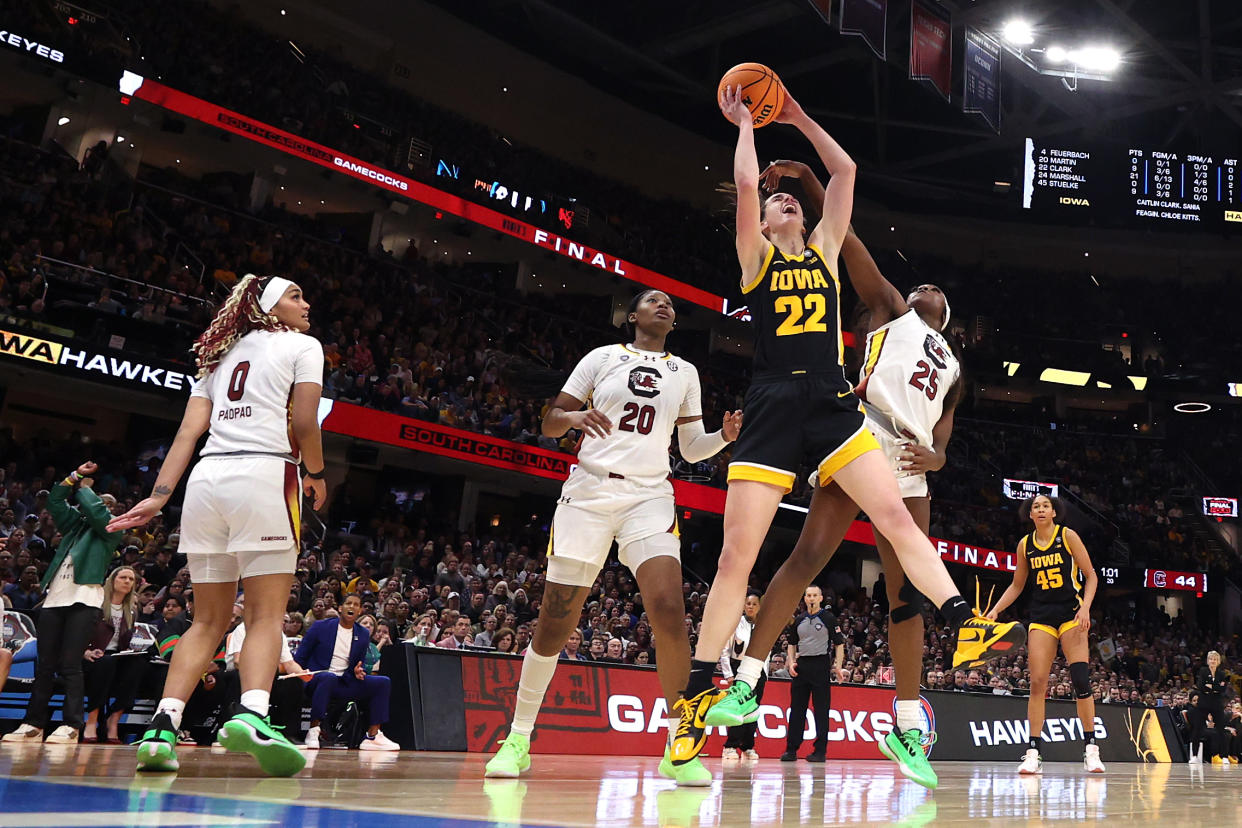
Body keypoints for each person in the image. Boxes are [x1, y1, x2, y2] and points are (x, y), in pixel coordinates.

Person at [673, 84, 1024, 772]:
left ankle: (962, 625)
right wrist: (750, 124)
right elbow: (749, 182)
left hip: (840, 409)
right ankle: (709, 687)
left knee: (897, 531)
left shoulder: (837, 258)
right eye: (778, 206)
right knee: (740, 556)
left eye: (789, 201)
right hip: (784, 403)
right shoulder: (764, 260)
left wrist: (800, 116)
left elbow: (846, 175)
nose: (785, 205)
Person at [710, 164, 964, 787]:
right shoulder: (889, 310)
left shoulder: (955, 364)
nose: (921, 286)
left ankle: (907, 725)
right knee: (808, 558)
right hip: (861, 431)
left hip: (911, 462)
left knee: (907, 599)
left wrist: (937, 458)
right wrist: (813, 187)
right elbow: (846, 240)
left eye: (933, 286)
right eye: (918, 284)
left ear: (947, 316)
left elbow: (947, 434)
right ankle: (750, 675)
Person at [484, 289, 742, 787]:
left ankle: (678, 745)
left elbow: (690, 450)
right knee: (555, 621)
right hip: (589, 493)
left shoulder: (684, 373)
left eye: (669, 303)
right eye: (652, 300)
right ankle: (517, 738)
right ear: (633, 316)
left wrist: (724, 439)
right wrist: (574, 418)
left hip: (650, 497)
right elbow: (549, 422)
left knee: (669, 608)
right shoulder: (601, 358)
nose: (663, 305)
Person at [107, 273, 326, 776]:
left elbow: (188, 431)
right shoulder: (303, 345)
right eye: (296, 294)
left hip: (205, 481)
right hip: (265, 473)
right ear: (270, 307)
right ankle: (252, 712)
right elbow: (306, 422)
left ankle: (163, 727)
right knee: (266, 616)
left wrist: (158, 497)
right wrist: (315, 472)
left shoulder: (217, 355)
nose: (306, 301)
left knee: (206, 620)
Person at [3, 463, 122, 745]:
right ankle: (33, 724)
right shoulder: (73, 528)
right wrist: (75, 476)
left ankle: (71, 725)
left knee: (70, 664)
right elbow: (55, 500)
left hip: (84, 601)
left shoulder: (112, 530)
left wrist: (84, 490)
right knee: (44, 666)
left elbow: (97, 514)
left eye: (105, 504)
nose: (98, 506)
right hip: (55, 599)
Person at [985, 495, 1104, 774]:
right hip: (1041, 617)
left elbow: (1091, 575)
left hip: (1072, 614)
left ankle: (1091, 748)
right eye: (1035, 506)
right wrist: (995, 611)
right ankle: (1033, 751)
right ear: (1030, 514)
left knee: (1080, 680)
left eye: (1045, 506)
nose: (1040, 509)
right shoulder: (1025, 545)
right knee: (1037, 683)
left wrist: (1086, 608)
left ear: (1053, 512)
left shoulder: (1068, 536)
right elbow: (1016, 586)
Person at [295, 593, 399, 751]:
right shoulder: (321, 627)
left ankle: (373, 736)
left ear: (359, 612)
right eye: (348, 603)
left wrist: (359, 671)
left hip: (344, 681)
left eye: (356, 605)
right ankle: (314, 730)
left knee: (383, 682)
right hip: (316, 679)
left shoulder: (363, 634)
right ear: (340, 608)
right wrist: (301, 678)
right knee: (328, 678)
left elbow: (358, 665)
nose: (352, 607)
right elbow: (300, 658)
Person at [779, 585, 844, 762]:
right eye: (809, 595)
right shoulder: (799, 619)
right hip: (802, 665)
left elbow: (839, 643)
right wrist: (792, 662)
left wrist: (838, 666)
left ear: (821, 598)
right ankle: (791, 749)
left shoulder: (829, 618)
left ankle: (820, 751)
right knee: (797, 709)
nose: (812, 598)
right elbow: (792, 643)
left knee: (821, 710)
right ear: (805, 598)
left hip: (821, 664)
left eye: (815, 595)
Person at [83, 566, 146, 743]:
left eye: (131, 579)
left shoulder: (131, 611)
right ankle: (92, 719)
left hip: (116, 656)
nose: (127, 581)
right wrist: (85, 652)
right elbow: (78, 633)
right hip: (91, 657)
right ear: (112, 580)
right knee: (105, 662)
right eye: (123, 577)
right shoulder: (96, 604)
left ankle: (114, 718)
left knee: (138, 664)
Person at [720, 592, 767, 761]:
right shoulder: (735, 624)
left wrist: (765, 673)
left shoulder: (764, 625)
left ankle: (748, 747)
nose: (751, 607)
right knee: (738, 709)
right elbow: (724, 650)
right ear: (743, 605)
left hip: (758, 670)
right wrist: (729, 674)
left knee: (752, 710)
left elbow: (767, 652)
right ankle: (730, 746)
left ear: (759, 607)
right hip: (738, 668)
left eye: (754, 604)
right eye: (748, 604)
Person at [1187, 650, 1230, 764]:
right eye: (1211, 659)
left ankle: (1224, 756)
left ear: (1218, 661)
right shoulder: (1203, 671)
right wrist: (1216, 687)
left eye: (1215, 659)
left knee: (1221, 730)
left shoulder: (1222, 673)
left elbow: (1223, 689)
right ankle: (1194, 756)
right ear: (1208, 660)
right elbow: (1201, 686)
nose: (1213, 661)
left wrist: (1211, 686)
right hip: (1204, 703)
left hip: (1216, 703)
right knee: (1197, 729)